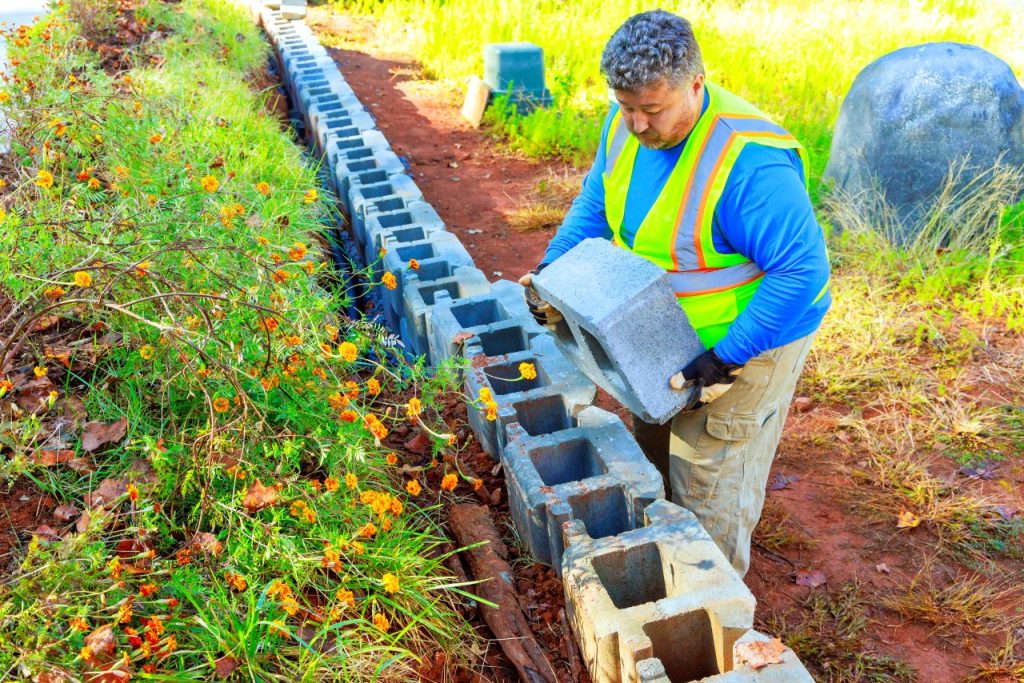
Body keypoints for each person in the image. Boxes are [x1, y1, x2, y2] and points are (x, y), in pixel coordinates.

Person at [519, 9, 831, 576]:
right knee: (655, 459)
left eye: (653, 110)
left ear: (695, 83)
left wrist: (723, 359)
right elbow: (595, 205)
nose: (637, 124)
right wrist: (549, 272)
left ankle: (712, 614)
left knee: (708, 490)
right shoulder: (624, 125)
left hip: (745, 345)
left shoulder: (749, 164)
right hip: (663, 335)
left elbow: (801, 274)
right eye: (626, 106)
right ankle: (663, 560)